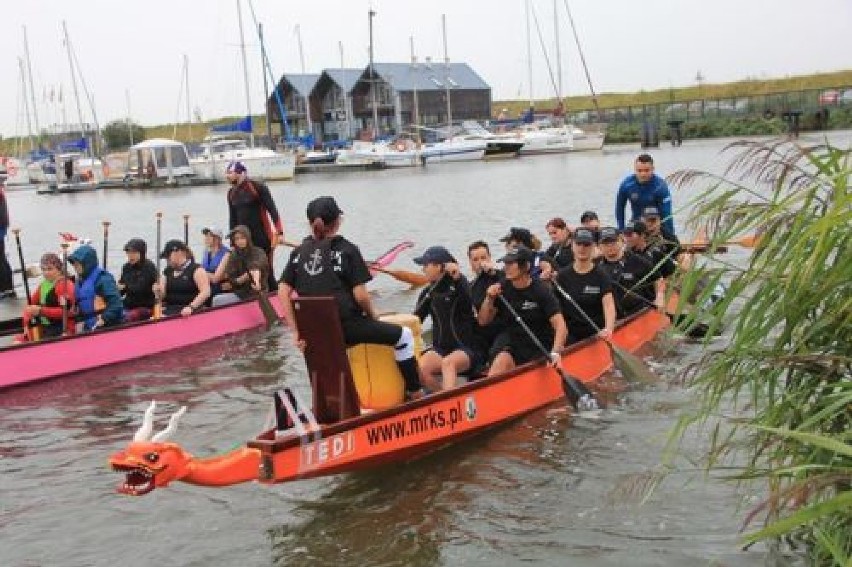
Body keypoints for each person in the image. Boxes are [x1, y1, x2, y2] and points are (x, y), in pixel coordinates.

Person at [278, 196, 424, 400]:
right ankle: (416, 392)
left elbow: (282, 292)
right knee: (405, 336)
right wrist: (373, 315)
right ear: (338, 221)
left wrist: (296, 331)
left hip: (314, 334)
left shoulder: (298, 253)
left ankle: (335, 403)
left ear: (310, 223)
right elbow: (360, 295)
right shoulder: (347, 249)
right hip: (346, 329)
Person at [478, 245, 567, 376]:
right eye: (505, 263)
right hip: (515, 346)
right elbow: (483, 321)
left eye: (511, 263)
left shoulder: (541, 291)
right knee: (500, 360)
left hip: (541, 347)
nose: (506, 267)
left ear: (525, 266)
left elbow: (561, 327)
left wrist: (555, 352)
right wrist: (489, 299)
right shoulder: (502, 288)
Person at [413, 246, 486, 391]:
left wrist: (457, 276)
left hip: (467, 349)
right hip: (441, 349)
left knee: (448, 363)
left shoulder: (460, 284)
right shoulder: (428, 293)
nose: (423, 269)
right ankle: (442, 398)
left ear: (440, 267)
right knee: (420, 368)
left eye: (426, 265)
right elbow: (415, 321)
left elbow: (467, 298)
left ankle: (449, 400)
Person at [226, 160, 284, 291]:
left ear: (241, 174)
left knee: (266, 269)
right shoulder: (231, 193)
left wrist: (279, 232)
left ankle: (275, 294)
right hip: (242, 239)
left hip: (262, 236)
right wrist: (232, 241)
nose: (227, 176)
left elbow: (272, 210)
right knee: (246, 269)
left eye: (231, 173)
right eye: (227, 173)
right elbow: (232, 218)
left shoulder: (257, 187)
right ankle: (251, 295)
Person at [554, 228, 616, 344]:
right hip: (571, 335)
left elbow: (608, 305)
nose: (582, 248)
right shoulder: (561, 276)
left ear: (593, 247)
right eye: (578, 244)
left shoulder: (601, 275)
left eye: (586, 244)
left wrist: (608, 329)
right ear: (572, 245)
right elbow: (555, 311)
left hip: (597, 333)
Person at [596, 227, 664, 317]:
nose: (610, 246)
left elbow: (659, 278)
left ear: (621, 241)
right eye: (605, 243)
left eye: (613, 242)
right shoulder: (597, 268)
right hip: (615, 318)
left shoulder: (637, 260)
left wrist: (660, 297)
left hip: (641, 313)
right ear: (599, 246)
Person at [15, 252, 75, 342]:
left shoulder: (64, 285)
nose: (46, 273)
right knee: (17, 341)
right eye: (43, 269)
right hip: (45, 327)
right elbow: (29, 306)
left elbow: (66, 312)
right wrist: (26, 323)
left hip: (62, 328)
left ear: (59, 269)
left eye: (50, 269)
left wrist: (40, 311)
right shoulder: (43, 285)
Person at [67, 244, 124, 331]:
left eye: (78, 264)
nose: (75, 266)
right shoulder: (79, 281)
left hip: (107, 324)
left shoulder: (103, 279)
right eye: (74, 264)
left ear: (87, 263)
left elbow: (116, 305)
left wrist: (104, 318)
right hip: (89, 324)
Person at [615, 153, 676, 235]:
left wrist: (670, 236)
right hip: (636, 225)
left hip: (655, 226)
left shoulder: (660, 186)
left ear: (653, 169)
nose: (643, 174)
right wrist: (621, 230)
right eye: (639, 171)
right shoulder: (626, 185)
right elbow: (620, 209)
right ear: (635, 169)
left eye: (647, 170)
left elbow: (667, 214)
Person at [210, 225, 269, 307]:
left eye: (242, 238)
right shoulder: (234, 255)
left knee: (216, 300)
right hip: (240, 293)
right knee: (216, 294)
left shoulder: (258, 252)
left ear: (248, 238)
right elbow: (231, 278)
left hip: (257, 291)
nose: (240, 241)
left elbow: (255, 268)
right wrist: (241, 279)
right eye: (237, 239)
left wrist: (256, 282)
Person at [154, 239, 211, 317]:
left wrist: (191, 307)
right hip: (170, 309)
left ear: (179, 252)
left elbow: (205, 292)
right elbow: (162, 295)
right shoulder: (167, 271)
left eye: (168, 257)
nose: (167, 260)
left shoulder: (197, 270)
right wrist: (157, 291)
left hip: (190, 310)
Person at [467, 240, 505, 355]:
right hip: (481, 334)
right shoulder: (470, 287)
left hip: (503, 329)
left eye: (483, 258)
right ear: (470, 263)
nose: (480, 262)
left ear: (490, 258)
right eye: (475, 259)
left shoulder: (502, 276)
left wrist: (492, 273)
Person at [118, 238, 158, 322]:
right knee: (111, 314)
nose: (130, 255)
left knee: (128, 317)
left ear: (142, 253)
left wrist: (125, 286)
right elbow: (121, 290)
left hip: (145, 306)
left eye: (134, 253)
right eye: (128, 252)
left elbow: (140, 289)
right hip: (128, 304)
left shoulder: (149, 267)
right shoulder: (126, 267)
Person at [200, 227, 229, 296]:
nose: (206, 239)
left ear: (217, 239)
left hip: (221, 285)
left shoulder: (226, 254)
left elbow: (217, 278)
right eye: (205, 236)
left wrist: (201, 273)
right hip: (208, 283)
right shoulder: (206, 252)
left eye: (209, 236)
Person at [0, 182, 14, 299]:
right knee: (2, 259)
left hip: (0, 228)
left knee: (1, 260)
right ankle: (7, 288)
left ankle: (5, 288)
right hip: (2, 228)